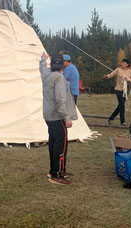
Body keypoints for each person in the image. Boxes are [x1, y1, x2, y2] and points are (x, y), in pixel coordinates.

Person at [40, 52, 77, 185]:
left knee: (53, 143)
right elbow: (60, 100)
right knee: (61, 146)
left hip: (48, 115)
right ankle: (57, 174)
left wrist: (43, 58)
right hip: (57, 116)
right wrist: (66, 117)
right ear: (62, 65)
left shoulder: (46, 74)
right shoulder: (59, 78)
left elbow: (42, 67)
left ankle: (54, 170)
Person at [103, 59, 131, 126]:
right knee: (122, 105)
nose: (122, 63)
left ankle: (111, 118)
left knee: (120, 106)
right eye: (121, 62)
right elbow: (111, 75)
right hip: (118, 89)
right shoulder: (118, 70)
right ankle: (122, 122)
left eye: (123, 62)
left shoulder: (130, 72)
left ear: (127, 64)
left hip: (124, 91)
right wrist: (106, 76)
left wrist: (128, 79)